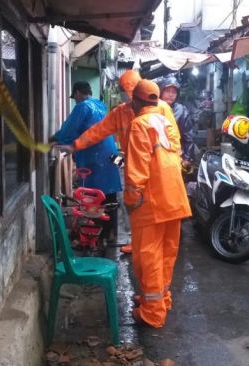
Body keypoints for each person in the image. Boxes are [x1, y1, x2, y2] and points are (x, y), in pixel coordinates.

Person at [56, 70, 181, 254]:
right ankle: (138, 244)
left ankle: (146, 250)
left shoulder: (160, 108)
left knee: (160, 229)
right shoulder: (120, 112)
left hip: (160, 174)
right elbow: (98, 131)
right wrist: (75, 146)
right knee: (141, 218)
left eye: (133, 94)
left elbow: (174, 141)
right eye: (127, 93)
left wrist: (173, 167)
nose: (131, 99)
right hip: (138, 172)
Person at [124, 79, 191, 328]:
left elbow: (137, 170)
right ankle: (161, 299)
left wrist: (131, 199)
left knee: (148, 256)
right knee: (166, 253)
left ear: (135, 100)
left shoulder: (139, 124)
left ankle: (152, 312)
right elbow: (176, 154)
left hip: (153, 201)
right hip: (175, 198)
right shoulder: (166, 120)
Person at [51, 81, 122, 242]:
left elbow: (70, 128)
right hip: (110, 154)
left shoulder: (83, 106)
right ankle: (111, 233)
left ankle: (95, 235)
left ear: (77, 93)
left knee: (94, 195)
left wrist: (55, 138)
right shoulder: (100, 105)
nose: (75, 100)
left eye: (74, 97)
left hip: (95, 156)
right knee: (110, 195)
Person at [158, 75, 197, 171]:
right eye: (167, 91)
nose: (171, 95)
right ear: (161, 91)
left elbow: (188, 135)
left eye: (174, 92)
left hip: (176, 155)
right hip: (158, 153)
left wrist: (187, 158)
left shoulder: (181, 110)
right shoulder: (154, 108)